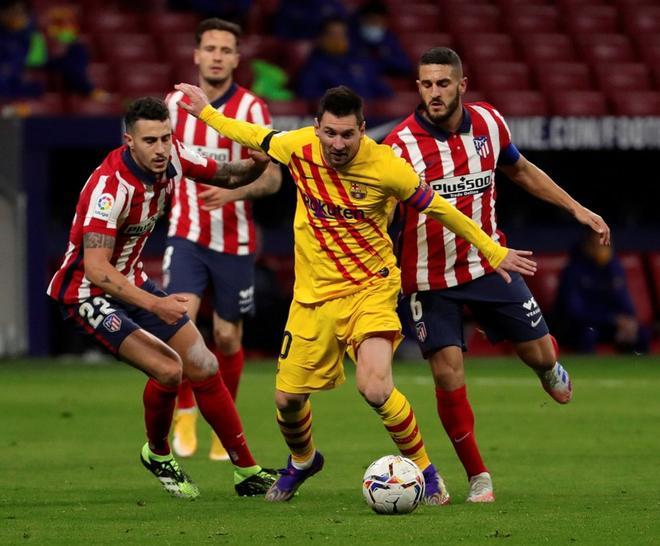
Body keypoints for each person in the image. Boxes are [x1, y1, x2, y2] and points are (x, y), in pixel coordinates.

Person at [174, 81, 537, 504]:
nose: (338, 143)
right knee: (287, 400)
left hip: (371, 289)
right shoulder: (297, 147)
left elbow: (439, 207)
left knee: (375, 387)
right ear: (317, 128)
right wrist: (205, 113)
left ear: (363, 130)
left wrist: (492, 250)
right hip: (313, 297)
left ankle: (424, 469)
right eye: (330, 133)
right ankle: (304, 459)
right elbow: (253, 135)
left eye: (348, 134)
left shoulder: (388, 167)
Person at [382, 47, 611, 503]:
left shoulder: (489, 123)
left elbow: (521, 170)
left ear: (462, 85)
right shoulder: (400, 146)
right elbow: (382, 212)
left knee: (541, 354)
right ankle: (478, 477)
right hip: (428, 279)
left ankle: (547, 367)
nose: (434, 93)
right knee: (448, 373)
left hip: (490, 262)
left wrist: (576, 208)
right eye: (426, 84)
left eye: (443, 83)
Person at [47, 97, 277, 499]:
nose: (160, 149)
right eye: (150, 140)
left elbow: (225, 174)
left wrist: (257, 166)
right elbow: (98, 270)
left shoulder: (173, 158)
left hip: (131, 283)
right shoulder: (109, 187)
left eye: (166, 138)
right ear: (129, 141)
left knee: (204, 362)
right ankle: (157, 453)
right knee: (170, 370)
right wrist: (156, 303)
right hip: (87, 293)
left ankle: (247, 472)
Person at [164, 18, 282, 462]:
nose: (216, 56)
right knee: (181, 324)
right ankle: (186, 411)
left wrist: (237, 190)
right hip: (186, 232)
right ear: (196, 55)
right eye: (209, 48)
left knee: (228, 337)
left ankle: (221, 421)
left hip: (234, 240)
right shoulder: (173, 105)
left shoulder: (252, 110)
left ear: (236, 58)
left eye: (225, 49)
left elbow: (272, 178)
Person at [554, 229, 649, 354]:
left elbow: (624, 302)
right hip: (582, 325)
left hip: (609, 324)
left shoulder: (614, 268)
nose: (601, 247)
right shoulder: (573, 270)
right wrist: (612, 319)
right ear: (587, 244)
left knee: (640, 333)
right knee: (588, 334)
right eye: (596, 243)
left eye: (605, 243)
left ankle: (633, 371)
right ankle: (587, 371)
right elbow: (575, 311)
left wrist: (628, 321)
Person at [296, 17, 392, 101]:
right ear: (321, 39)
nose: (338, 39)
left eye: (342, 34)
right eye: (333, 35)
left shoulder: (362, 62)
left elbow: (385, 93)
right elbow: (309, 96)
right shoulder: (314, 67)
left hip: (372, 118)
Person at [349, 0, 412, 78]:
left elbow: (405, 66)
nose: (375, 25)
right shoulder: (350, 38)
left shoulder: (389, 39)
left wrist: (385, 58)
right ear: (362, 20)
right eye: (372, 21)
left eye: (379, 22)